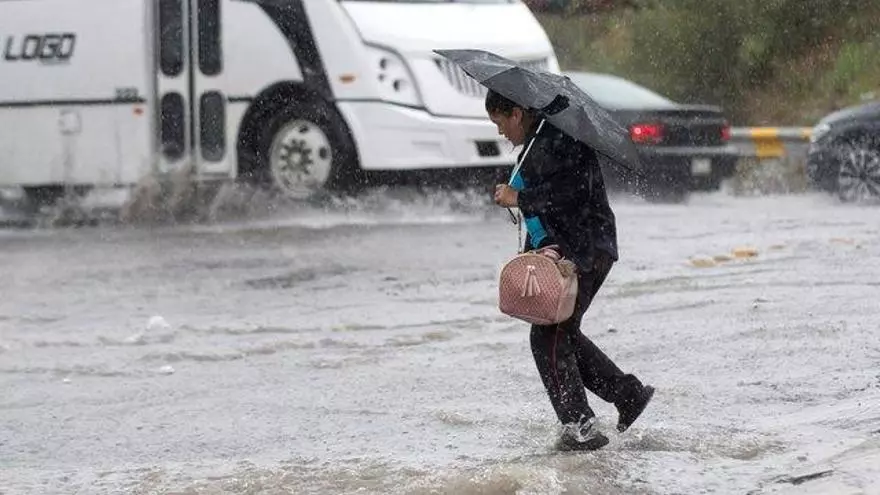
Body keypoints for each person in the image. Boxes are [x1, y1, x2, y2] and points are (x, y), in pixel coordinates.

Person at [487, 89, 654, 451]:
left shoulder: (558, 139)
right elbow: (551, 201)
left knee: (548, 337)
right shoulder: (539, 141)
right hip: (579, 249)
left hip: (585, 252)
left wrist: (521, 198)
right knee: (562, 333)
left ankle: (581, 429)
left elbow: (572, 194)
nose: (500, 132)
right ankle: (627, 394)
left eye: (500, 122)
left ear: (516, 113)